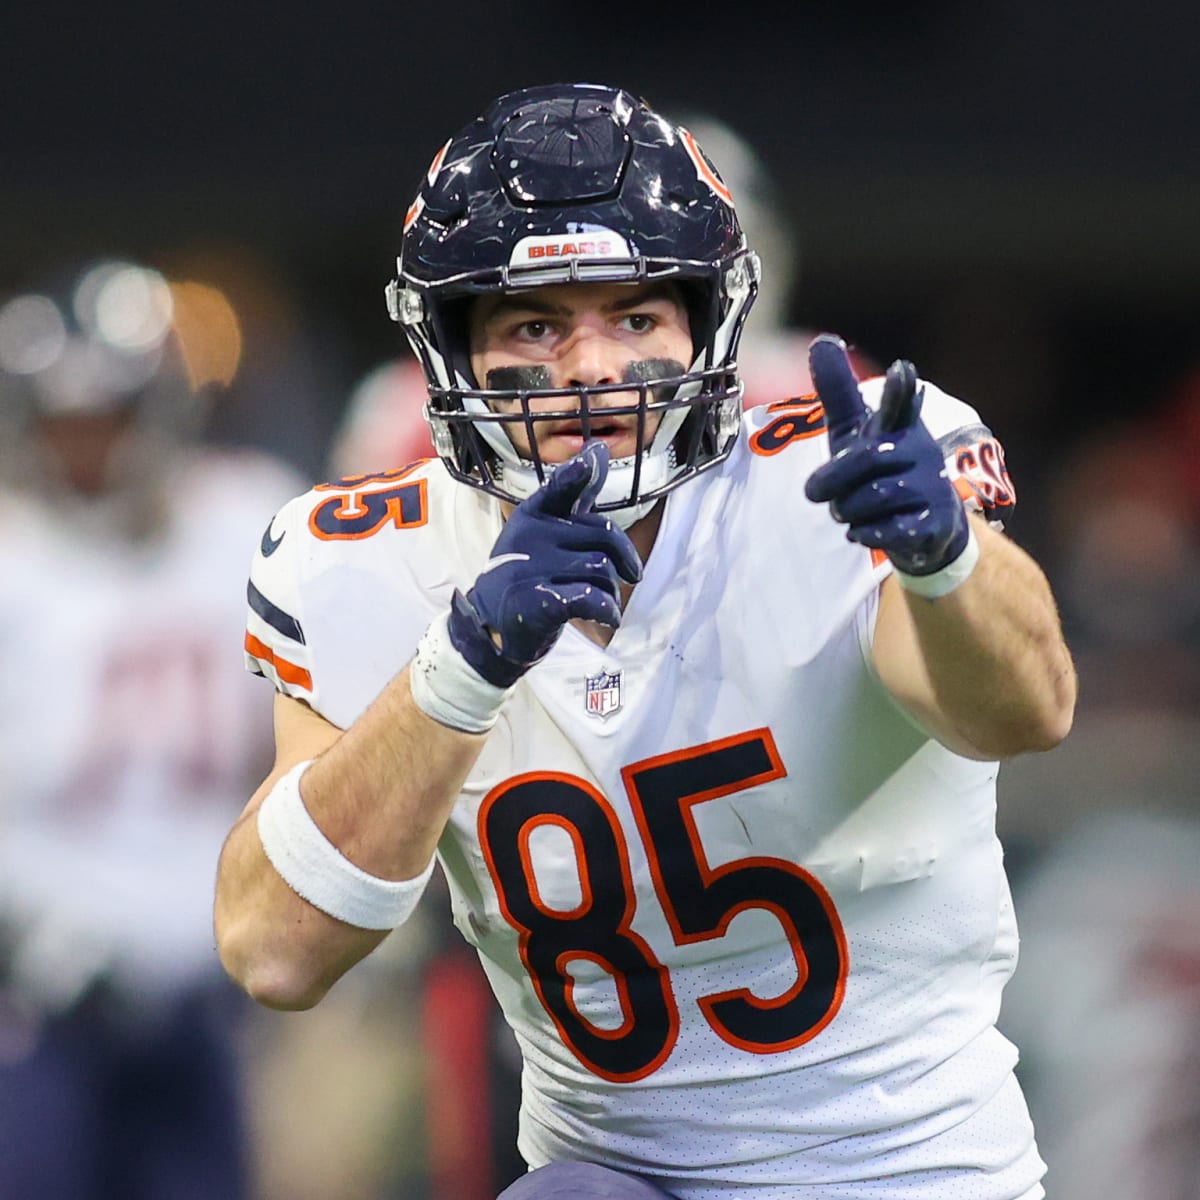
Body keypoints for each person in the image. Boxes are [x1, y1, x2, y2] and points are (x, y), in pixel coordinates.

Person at [215, 83, 1077, 1199]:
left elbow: (1029, 710)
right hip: (622, 1177)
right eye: (535, 324)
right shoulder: (373, 552)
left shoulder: (824, 481)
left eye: (633, 317)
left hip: (914, 1171)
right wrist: (460, 665)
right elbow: (272, 948)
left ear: (706, 325)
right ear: (450, 347)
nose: (590, 370)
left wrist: (945, 558)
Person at [0, 257, 303, 1198]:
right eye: (65, 424)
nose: (86, 449)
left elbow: (316, 743)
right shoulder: (13, 559)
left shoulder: (251, 519)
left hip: (221, 981)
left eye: (108, 419)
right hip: (39, 985)